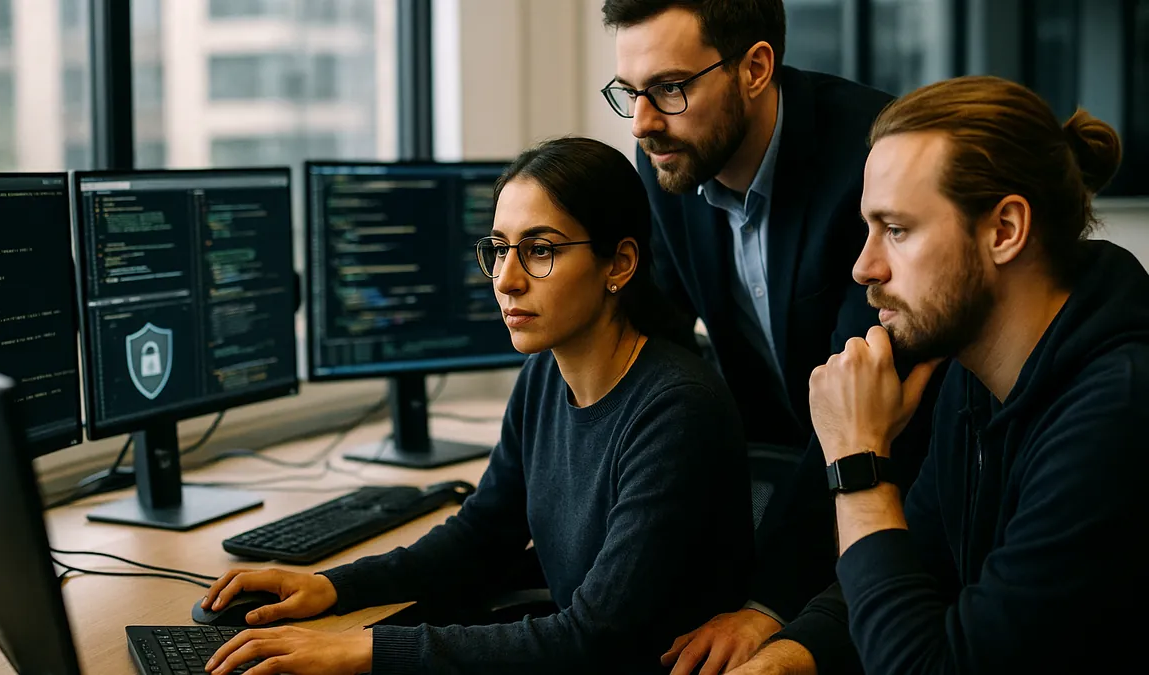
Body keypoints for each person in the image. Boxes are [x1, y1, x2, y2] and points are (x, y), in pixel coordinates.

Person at [200, 137, 755, 675]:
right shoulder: (545, 372)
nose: (507, 280)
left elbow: (591, 638)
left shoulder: (675, 411)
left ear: (620, 264)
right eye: (498, 249)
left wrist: (362, 651)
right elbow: (482, 536)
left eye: (540, 250)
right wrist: (336, 586)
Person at [731, 75, 1147, 674]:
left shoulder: (1116, 416)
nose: (863, 267)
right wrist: (786, 657)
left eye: (896, 230)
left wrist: (857, 464)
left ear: (1004, 230)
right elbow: (914, 566)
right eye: (868, 229)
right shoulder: (972, 376)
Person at [599, 2, 939, 671]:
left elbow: (856, 403)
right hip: (773, 465)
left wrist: (767, 603)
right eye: (631, 93)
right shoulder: (671, 158)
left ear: (755, 68)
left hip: (888, 486)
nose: (642, 123)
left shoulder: (870, 158)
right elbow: (654, 339)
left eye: (670, 89)